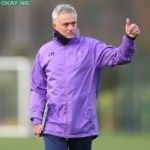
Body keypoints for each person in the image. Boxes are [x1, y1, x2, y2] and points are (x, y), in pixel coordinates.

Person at [30, 4, 140, 150]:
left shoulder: (92, 48)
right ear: (54, 25)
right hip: (53, 127)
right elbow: (38, 88)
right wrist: (37, 119)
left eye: (73, 23)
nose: (70, 27)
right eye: (65, 24)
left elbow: (119, 56)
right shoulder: (44, 52)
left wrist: (129, 39)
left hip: (83, 127)